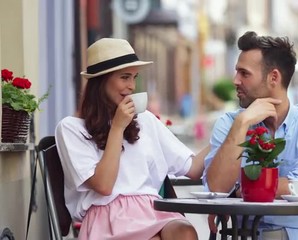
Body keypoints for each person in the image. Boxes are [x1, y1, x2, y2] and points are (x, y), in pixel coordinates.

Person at [55, 38, 208, 240]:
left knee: (185, 232)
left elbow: (194, 168)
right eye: (125, 77)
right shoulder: (71, 128)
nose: (131, 86)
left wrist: (233, 130)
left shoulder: (145, 120)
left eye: (134, 77)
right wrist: (118, 127)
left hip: (152, 210)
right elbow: (104, 185)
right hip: (106, 217)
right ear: (101, 81)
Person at [203, 31, 298, 240]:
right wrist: (242, 124)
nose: (235, 80)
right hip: (249, 235)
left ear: (273, 77)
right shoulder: (230, 124)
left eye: (244, 73)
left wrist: (241, 190)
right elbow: (217, 190)